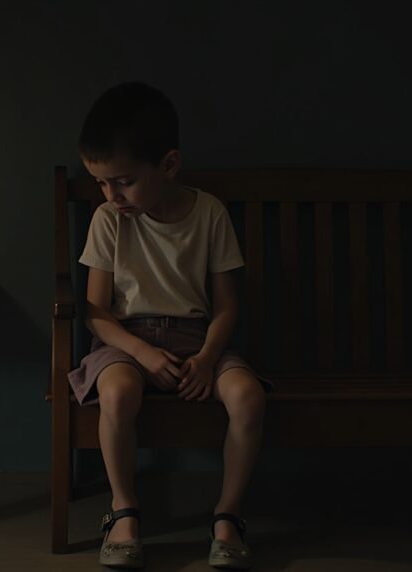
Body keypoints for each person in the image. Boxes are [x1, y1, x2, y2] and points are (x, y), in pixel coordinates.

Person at [68, 82, 272, 570]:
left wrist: (205, 359)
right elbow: (95, 312)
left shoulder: (208, 213)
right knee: (116, 393)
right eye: (100, 183)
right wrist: (141, 352)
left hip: (198, 341)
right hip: (125, 341)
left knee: (248, 396)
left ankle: (228, 517)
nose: (111, 195)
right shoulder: (108, 220)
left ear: (169, 165)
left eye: (123, 181)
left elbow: (226, 306)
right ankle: (124, 511)